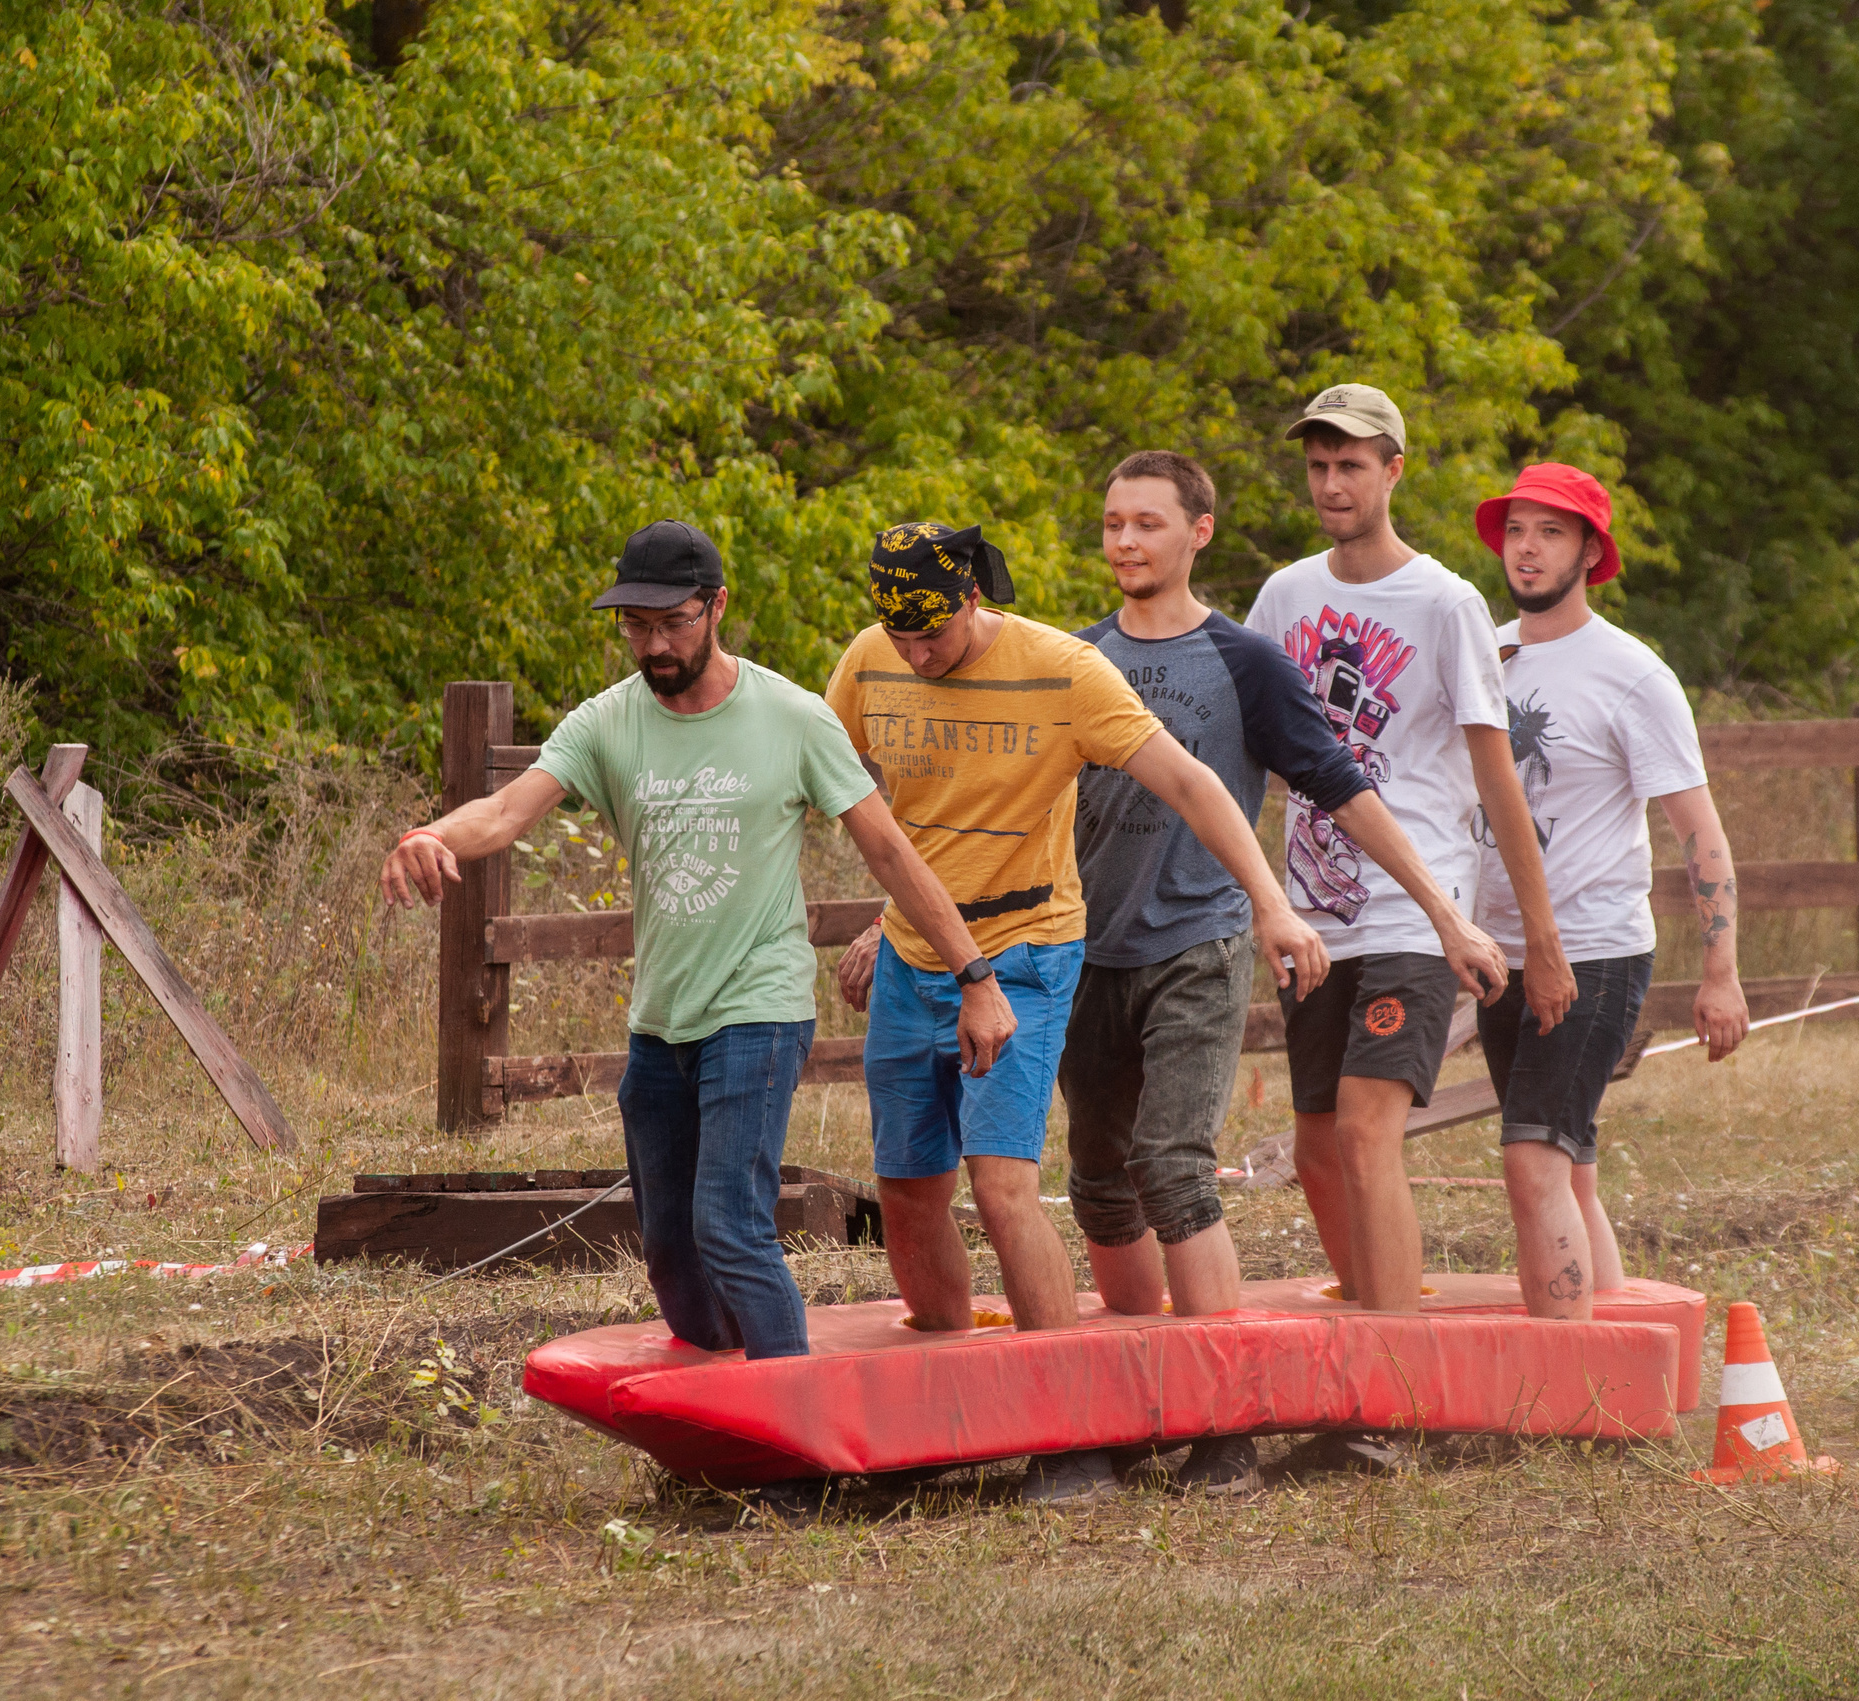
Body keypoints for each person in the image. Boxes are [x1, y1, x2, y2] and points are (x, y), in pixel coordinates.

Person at [380, 518, 1015, 1394]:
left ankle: (795, 1427)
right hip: (661, 1024)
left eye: (673, 621)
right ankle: (725, 1407)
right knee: (671, 1248)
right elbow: (505, 812)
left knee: (731, 1224)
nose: (654, 643)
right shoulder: (608, 721)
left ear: (717, 606)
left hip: (760, 1009)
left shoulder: (791, 716)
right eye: (635, 626)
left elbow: (891, 853)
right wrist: (427, 834)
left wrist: (975, 975)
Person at [824, 518, 1329, 1505]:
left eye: (932, 631)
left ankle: (1073, 1437)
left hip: (1024, 952)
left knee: (1003, 1182)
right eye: (900, 632)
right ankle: (945, 1418)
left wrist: (1271, 903)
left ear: (971, 597)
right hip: (914, 953)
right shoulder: (869, 661)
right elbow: (850, 801)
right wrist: (878, 927)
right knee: (910, 1187)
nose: (916, 652)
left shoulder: (1063, 671)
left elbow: (1190, 781)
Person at [1067, 451, 1511, 1496]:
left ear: (1198, 534)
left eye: (1148, 524)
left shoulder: (1245, 661)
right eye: (1112, 524)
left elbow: (1340, 786)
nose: (1127, 542)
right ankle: (1134, 1414)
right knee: (1097, 1179)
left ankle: (1226, 1428)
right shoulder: (1072, 658)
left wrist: (1448, 914)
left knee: (1172, 1162)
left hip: (1204, 941)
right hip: (1085, 953)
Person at [1242, 385, 1575, 1331]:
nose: (1332, 482)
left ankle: (1390, 1375)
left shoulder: (1445, 600)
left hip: (1416, 911)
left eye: (1351, 464)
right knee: (1314, 1146)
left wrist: (1535, 939)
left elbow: (1498, 775)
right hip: (1313, 911)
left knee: (1365, 1127)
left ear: (1393, 471)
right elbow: (1244, 743)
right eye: (1317, 465)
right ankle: (1372, 1321)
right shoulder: (1285, 594)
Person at [1469, 464, 1750, 1318]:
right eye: (1516, 529)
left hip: (1593, 952)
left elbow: (1699, 831)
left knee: (1533, 1161)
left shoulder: (1633, 673)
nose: (1527, 548)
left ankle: (1560, 1382)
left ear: (1591, 550)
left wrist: (1721, 971)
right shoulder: (1487, 653)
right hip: (1496, 953)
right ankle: (1615, 1365)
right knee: (1571, 1164)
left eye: (1550, 532)